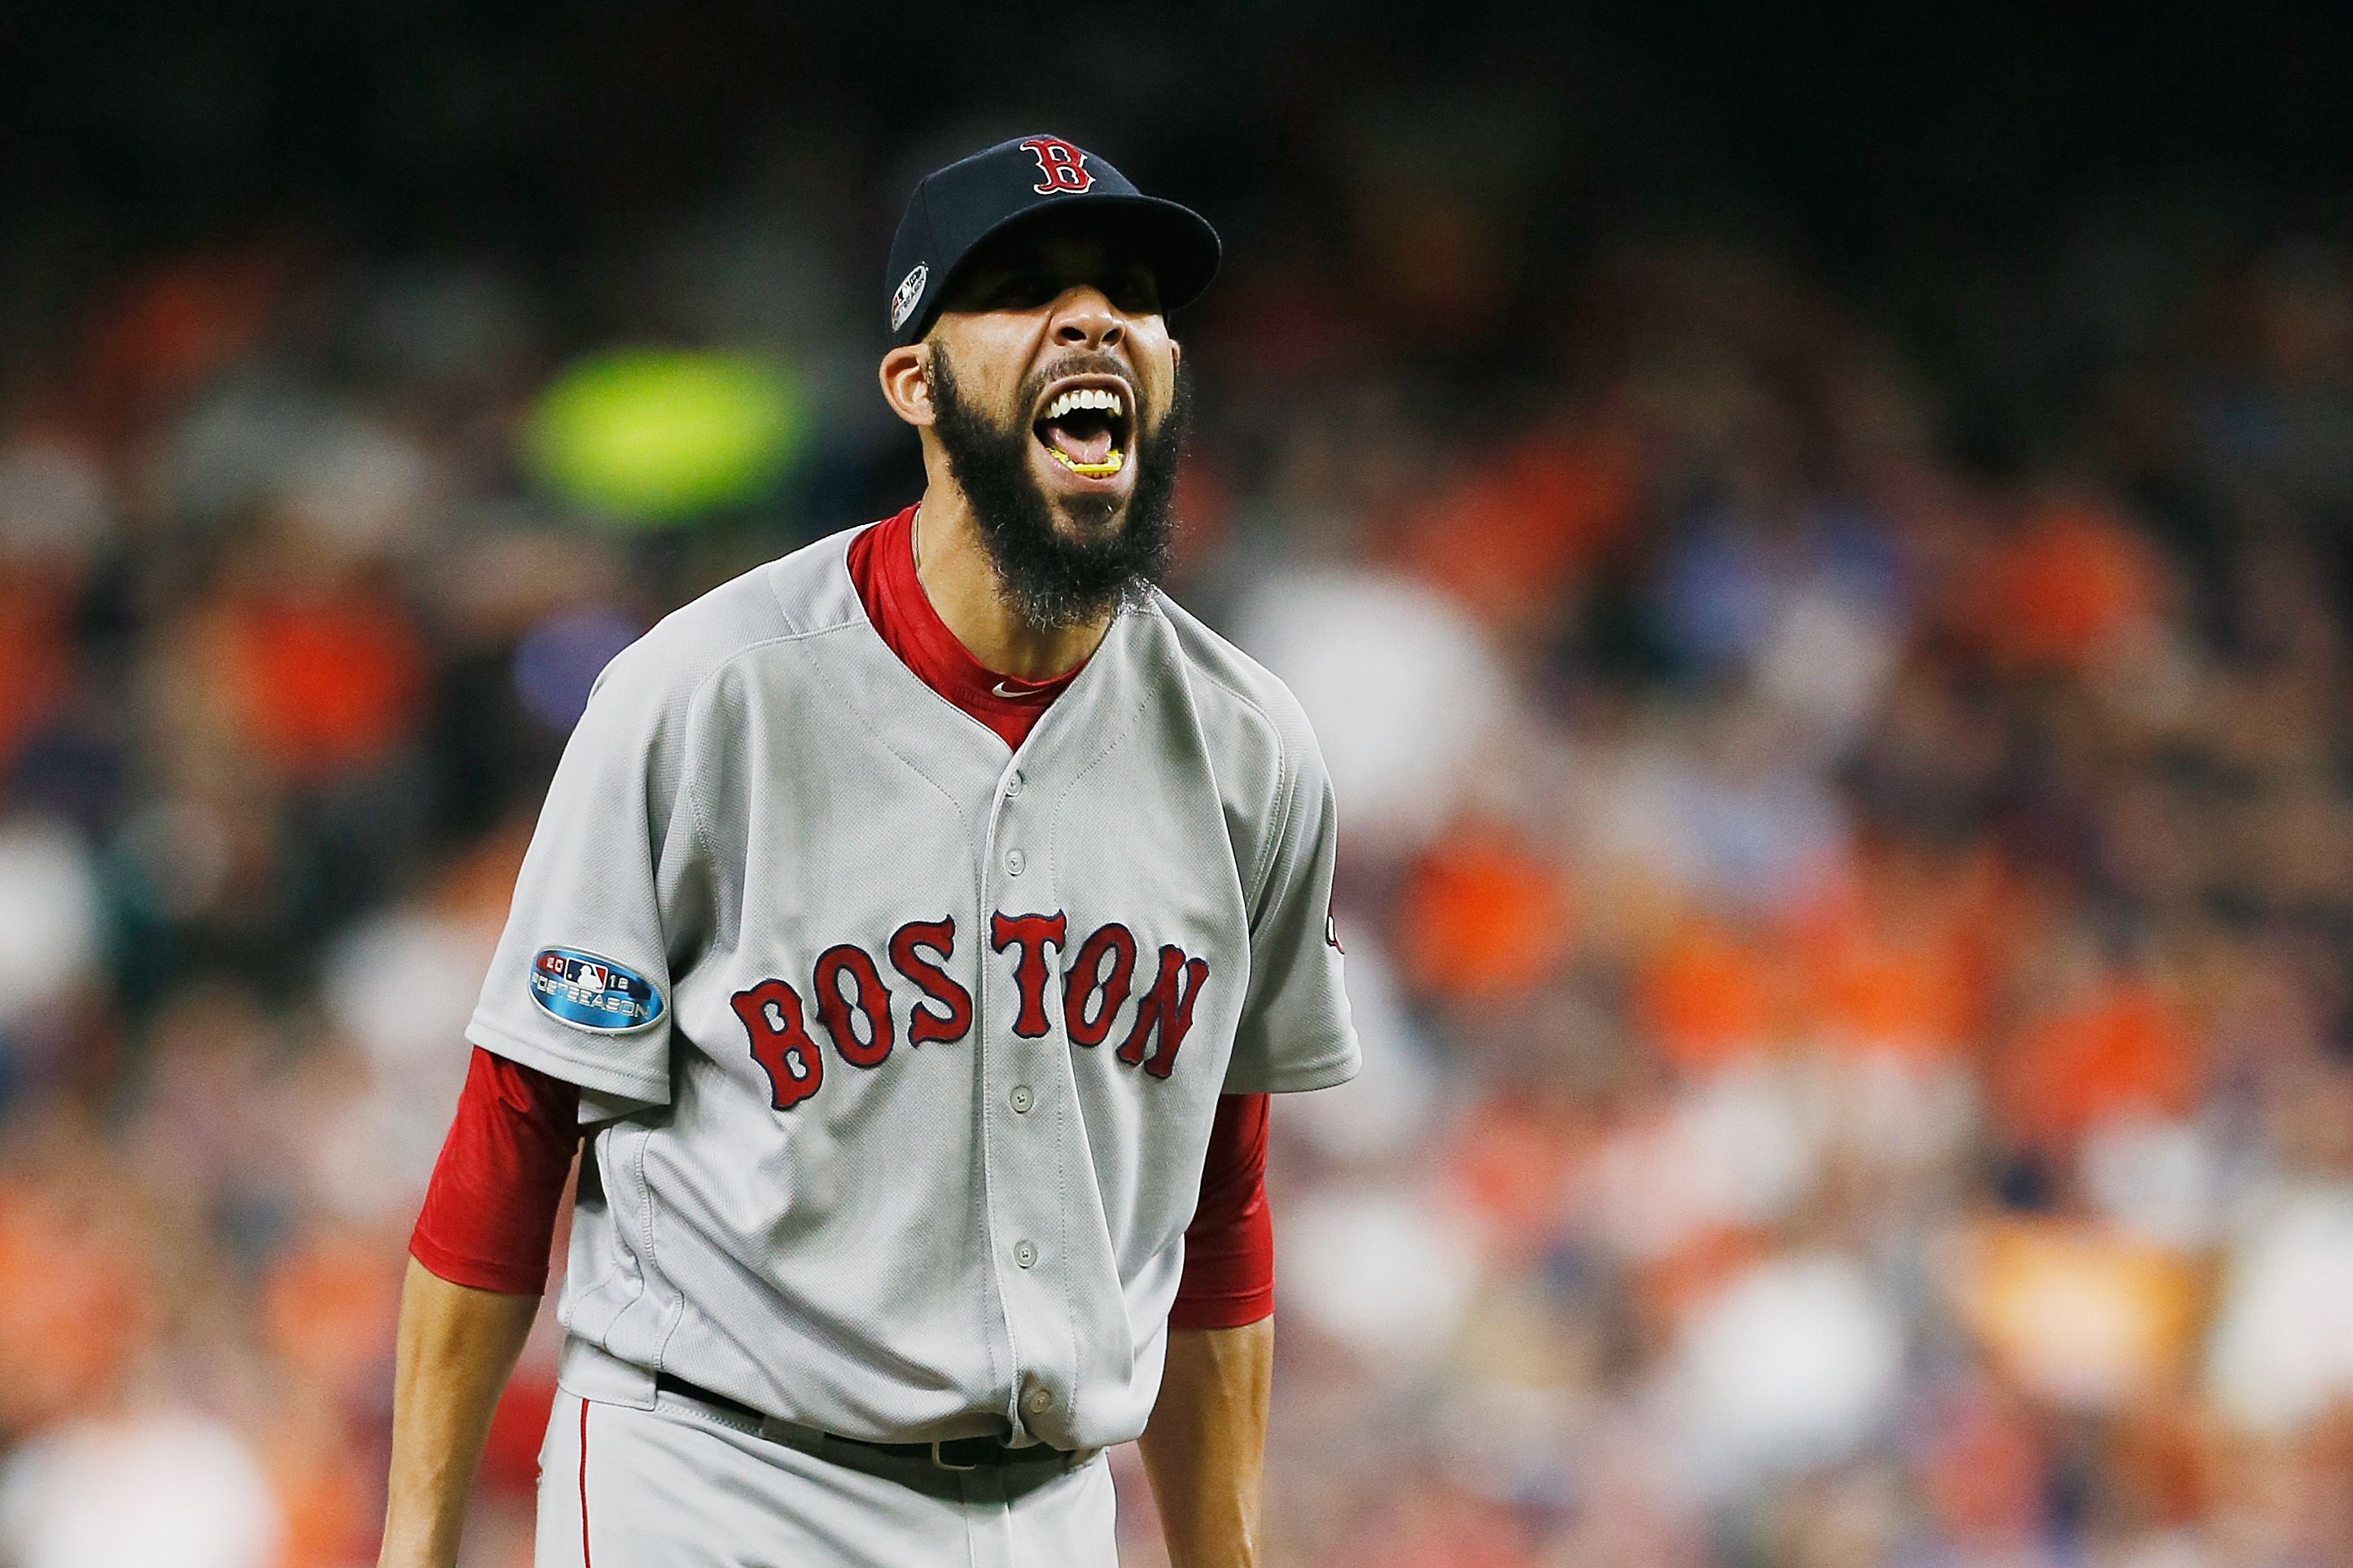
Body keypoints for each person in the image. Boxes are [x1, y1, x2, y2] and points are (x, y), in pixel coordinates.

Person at [375, 134, 1359, 1567]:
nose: (1092, 318)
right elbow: (516, 1128)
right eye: (1022, 289)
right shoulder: (703, 691)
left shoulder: (1246, 743)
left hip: (1045, 1509)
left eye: (1130, 293)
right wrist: (415, 1547)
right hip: (714, 1478)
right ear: (914, 382)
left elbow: (1218, 1193)